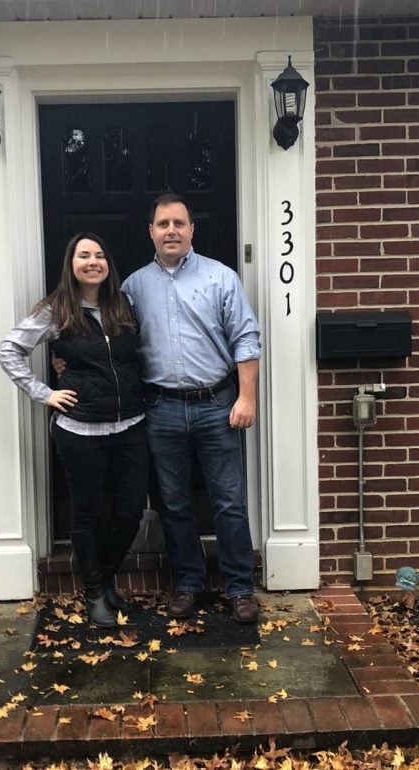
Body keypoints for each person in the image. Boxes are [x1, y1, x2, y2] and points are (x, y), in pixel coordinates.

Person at [122, 192, 262, 624]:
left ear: (191, 230)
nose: (171, 231)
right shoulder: (133, 286)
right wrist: (66, 357)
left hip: (217, 405)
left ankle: (240, 588)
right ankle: (188, 583)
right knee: (174, 504)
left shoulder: (221, 278)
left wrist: (246, 396)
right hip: (161, 408)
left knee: (229, 502)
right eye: (163, 224)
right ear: (151, 231)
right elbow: (114, 341)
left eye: (179, 224)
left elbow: (246, 337)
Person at [0, 232, 149, 628]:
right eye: (84, 255)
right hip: (80, 430)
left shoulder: (124, 305)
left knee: (130, 511)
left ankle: (106, 577)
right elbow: (9, 349)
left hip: (130, 424)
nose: (93, 262)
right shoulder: (55, 310)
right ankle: (96, 593)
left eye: (100, 255)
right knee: (88, 512)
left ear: (108, 264)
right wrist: (43, 392)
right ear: (71, 264)